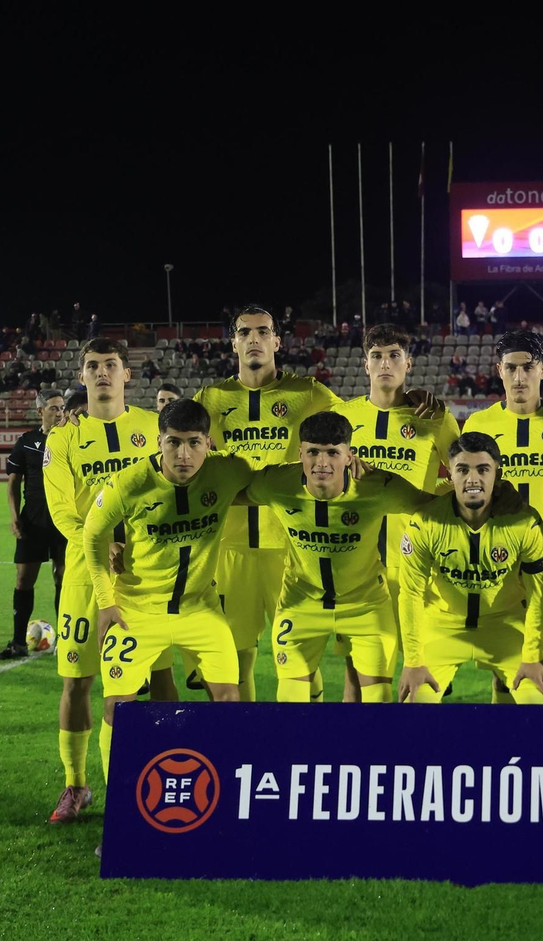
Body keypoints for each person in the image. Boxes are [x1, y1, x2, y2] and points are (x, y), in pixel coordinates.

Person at [83, 398, 253, 801]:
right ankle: (122, 816)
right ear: (158, 441)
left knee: (230, 701)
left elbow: (277, 484)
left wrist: (346, 471)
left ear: (208, 443)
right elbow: (92, 534)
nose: (183, 454)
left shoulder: (228, 471)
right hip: (137, 612)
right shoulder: (130, 482)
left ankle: (225, 803)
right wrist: (106, 600)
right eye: (173, 442)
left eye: (194, 443)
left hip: (201, 609)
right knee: (118, 709)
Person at [192, 307, 342, 702]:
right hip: (229, 550)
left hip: (293, 550)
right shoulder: (211, 398)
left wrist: (406, 396)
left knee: (299, 658)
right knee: (234, 660)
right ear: (234, 342)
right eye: (245, 332)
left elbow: (354, 424)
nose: (254, 339)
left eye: (263, 331)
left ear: (277, 341)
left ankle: (307, 748)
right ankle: (244, 748)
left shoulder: (308, 394)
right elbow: (172, 440)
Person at [42, 338, 164, 823]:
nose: (102, 373)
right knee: (76, 683)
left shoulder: (154, 429)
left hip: (143, 578)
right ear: (82, 375)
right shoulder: (64, 438)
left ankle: (145, 785)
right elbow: (60, 510)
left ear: (126, 374)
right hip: (83, 579)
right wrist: (98, 541)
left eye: (111, 365)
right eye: (92, 366)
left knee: (153, 680)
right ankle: (75, 785)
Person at [238, 411, 438, 702]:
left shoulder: (378, 487)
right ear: (300, 454)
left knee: (376, 708)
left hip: (366, 606)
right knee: (290, 709)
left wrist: (498, 496)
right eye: (313, 452)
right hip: (300, 606)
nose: (321, 463)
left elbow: (437, 507)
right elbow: (222, 493)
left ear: (349, 456)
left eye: (333, 453)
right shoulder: (276, 483)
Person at [462, 329, 543, 702]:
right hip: (498, 565)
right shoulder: (478, 426)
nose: (519, 377)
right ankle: (507, 754)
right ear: (498, 371)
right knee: (505, 670)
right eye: (511, 368)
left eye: (528, 367)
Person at [338, 324, 459, 701]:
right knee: (356, 678)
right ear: (365, 365)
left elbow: (462, 478)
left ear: (409, 364)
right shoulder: (344, 418)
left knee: (419, 679)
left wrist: (423, 495)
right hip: (357, 566)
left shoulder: (435, 418)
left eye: (393, 356)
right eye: (376, 356)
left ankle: (411, 756)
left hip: (417, 565)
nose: (384, 363)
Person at [396, 434, 543, 704]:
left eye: (483, 469)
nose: (472, 479)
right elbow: (410, 593)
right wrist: (412, 661)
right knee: (415, 708)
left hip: (506, 626)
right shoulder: (425, 522)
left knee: (537, 705)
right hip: (443, 627)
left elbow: (539, 594)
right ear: (450, 475)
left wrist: (532, 655)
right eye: (462, 469)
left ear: (497, 473)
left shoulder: (524, 522)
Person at [0, 391, 68, 660]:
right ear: (41, 411)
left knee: (63, 578)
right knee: (24, 579)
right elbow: (13, 483)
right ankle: (17, 643)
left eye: (62, 408)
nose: (59, 412)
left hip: (65, 522)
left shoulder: (72, 439)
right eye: (53, 408)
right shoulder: (26, 442)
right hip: (33, 521)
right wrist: (14, 515)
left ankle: (67, 642)